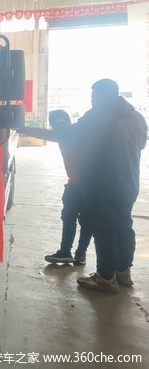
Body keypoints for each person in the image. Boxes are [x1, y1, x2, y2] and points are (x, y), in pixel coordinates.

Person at [55, 79, 146, 294]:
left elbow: (72, 136)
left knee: (104, 229)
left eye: (93, 96)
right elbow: (141, 144)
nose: (91, 100)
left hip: (102, 185)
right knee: (124, 226)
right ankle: (123, 272)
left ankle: (105, 277)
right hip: (128, 183)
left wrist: (60, 126)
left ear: (100, 96)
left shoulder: (99, 115)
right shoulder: (137, 117)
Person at [18, 110, 91, 265]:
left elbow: (45, 133)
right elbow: (44, 133)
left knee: (76, 218)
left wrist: (22, 128)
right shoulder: (65, 134)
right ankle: (75, 254)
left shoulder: (67, 133)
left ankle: (72, 252)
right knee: (79, 219)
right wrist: (22, 129)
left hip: (86, 185)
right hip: (81, 184)